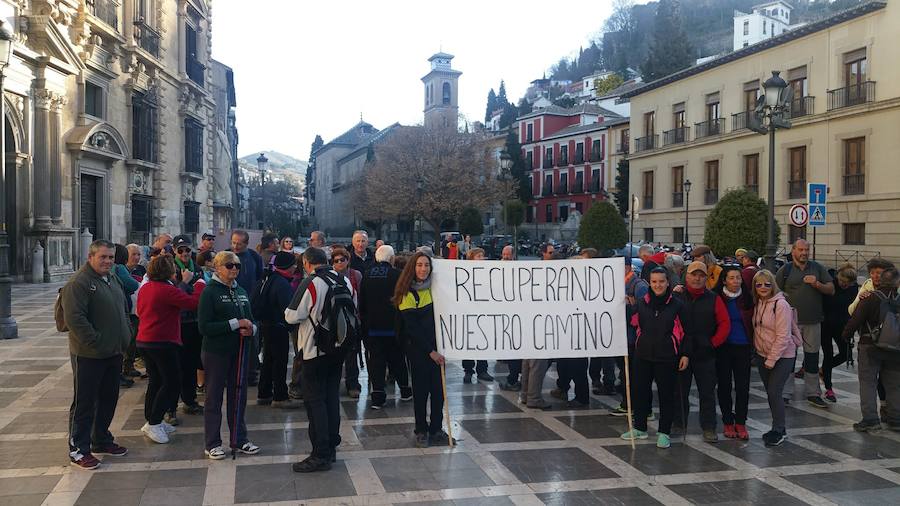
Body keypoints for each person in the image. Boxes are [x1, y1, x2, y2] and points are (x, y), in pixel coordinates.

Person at [62, 240, 132, 470]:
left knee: (108, 398)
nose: (108, 261)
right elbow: (75, 319)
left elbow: (122, 308)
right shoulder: (79, 283)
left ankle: (101, 439)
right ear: (91, 257)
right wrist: (96, 341)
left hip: (113, 351)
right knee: (85, 402)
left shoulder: (113, 278)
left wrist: (126, 335)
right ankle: (78, 449)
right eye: (103, 257)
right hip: (89, 354)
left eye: (111, 257)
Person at [285, 248, 354, 472]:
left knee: (315, 402)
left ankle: (320, 454)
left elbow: (292, 315)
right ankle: (331, 448)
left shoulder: (312, 282)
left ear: (306, 263)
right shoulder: (343, 279)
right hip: (338, 349)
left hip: (314, 350)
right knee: (331, 398)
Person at [197, 251, 261, 460]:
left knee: (239, 395)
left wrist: (252, 329)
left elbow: (250, 319)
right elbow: (204, 327)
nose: (234, 269)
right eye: (229, 265)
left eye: (237, 266)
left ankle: (239, 438)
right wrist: (235, 324)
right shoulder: (210, 292)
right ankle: (212, 443)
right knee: (214, 397)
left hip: (240, 352)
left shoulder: (241, 290)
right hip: (216, 352)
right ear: (217, 267)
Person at [136, 256, 205, 443]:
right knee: (172, 382)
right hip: (162, 342)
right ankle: (154, 422)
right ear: (168, 271)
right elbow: (193, 303)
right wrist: (199, 284)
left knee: (156, 381)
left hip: (145, 340)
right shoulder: (166, 289)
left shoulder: (147, 287)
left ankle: (151, 419)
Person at [621, 267, 691, 449]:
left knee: (666, 395)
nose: (658, 285)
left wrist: (685, 354)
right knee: (640, 393)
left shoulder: (677, 305)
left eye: (661, 281)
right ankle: (640, 427)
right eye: (654, 282)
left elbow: (687, 332)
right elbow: (631, 322)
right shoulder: (642, 303)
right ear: (650, 283)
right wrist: (625, 306)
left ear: (667, 282)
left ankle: (664, 432)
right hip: (643, 355)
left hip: (667, 357)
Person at [392, 251, 454, 448]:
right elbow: (413, 329)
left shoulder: (436, 289)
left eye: (426, 265)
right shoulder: (406, 293)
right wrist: (431, 352)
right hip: (418, 350)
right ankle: (421, 430)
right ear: (412, 267)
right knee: (421, 392)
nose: (423, 269)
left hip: (438, 348)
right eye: (419, 265)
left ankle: (436, 428)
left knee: (438, 391)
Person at [672, 261, 730, 442]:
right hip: (682, 353)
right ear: (687, 276)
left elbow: (724, 323)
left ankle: (709, 427)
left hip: (705, 353)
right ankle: (679, 423)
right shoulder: (677, 296)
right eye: (693, 274)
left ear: (706, 278)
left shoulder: (713, 298)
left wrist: (713, 343)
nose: (697, 278)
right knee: (680, 390)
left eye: (701, 275)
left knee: (707, 392)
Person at [775, 239, 834, 408]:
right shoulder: (785, 270)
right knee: (788, 358)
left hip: (813, 321)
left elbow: (831, 289)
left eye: (807, 250)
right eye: (801, 249)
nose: (804, 253)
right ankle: (785, 393)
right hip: (790, 322)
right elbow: (775, 293)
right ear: (793, 251)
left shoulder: (817, 268)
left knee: (812, 357)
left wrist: (816, 284)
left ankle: (813, 393)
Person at [841, 267, 900, 432]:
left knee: (868, 383)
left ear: (881, 280)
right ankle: (896, 419)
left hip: (870, 346)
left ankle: (870, 419)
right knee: (894, 385)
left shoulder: (870, 298)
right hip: (895, 349)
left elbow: (855, 320)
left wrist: (846, 335)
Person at [752, 269, 799, 447]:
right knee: (772, 394)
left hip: (783, 356)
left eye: (767, 284)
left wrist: (771, 359)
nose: (763, 287)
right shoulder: (759, 303)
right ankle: (777, 427)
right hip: (762, 355)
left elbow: (783, 336)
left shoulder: (780, 305)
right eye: (758, 284)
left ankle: (779, 429)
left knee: (774, 392)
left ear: (773, 284)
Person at [360, 245, 411, 408]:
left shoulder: (366, 275)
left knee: (376, 362)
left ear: (376, 258)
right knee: (397, 359)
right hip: (393, 326)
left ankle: (378, 396)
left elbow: (362, 303)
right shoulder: (397, 275)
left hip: (372, 327)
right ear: (391, 258)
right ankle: (404, 390)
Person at [256, 252, 300, 409]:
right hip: (278, 326)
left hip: (267, 325)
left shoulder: (270, 278)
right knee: (279, 362)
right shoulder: (282, 283)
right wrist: (292, 325)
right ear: (287, 267)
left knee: (268, 360)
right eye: (293, 264)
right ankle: (280, 396)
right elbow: (287, 308)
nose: (295, 267)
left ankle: (264, 393)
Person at [714, 265, 754, 440]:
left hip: (743, 347)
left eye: (738, 277)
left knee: (743, 386)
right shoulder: (717, 298)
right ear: (724, 280)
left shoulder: (747, 299)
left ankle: (741, 421)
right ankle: (728, 421)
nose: (736, 281)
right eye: (731, 278)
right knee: (724, 385)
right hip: (723, 347)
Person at [610, 259, 649, 416]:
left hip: (632, 339)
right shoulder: (619, 283)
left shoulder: (638, 286)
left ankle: (637, 407)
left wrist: (631, 306)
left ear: (626, 267)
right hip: (621, 337)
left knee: (633, 374)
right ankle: (628, 403)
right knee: (625, 372)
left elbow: (645, 312)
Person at [172, 236, 205, 418]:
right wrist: (186, 283)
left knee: (192, 363)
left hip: (195, 321)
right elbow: (175, 293)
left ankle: (190, 400)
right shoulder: (171, 268)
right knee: (177, 366)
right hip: (179, 322)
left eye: (187, 250)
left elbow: (201, 288)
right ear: (175, 251)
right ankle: (171, 408)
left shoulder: (196, 267)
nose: (185, 254)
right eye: (181, 250)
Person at [229, 230, 265, 386]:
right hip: (230, 305)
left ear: (246, 243)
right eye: (233, 242)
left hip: (250, 305)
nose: (235, 246)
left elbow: (259, 279)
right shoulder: (225, 256)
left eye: (239, 243)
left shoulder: (254, 257)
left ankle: (251, 373)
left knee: (252, 340)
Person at [329, 245, 364, 398]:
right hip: (334, 320)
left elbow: (361, 297)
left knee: (352, 354)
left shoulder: (355, 275)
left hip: (352, 320)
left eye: (342, 260)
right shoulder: (329, 276)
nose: (339, 263)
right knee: (334, 355)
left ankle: (352, 384)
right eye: (335, 261)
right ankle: (333, 384)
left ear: (348, 260)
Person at [821, 264, 857, 403]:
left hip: (842, 325)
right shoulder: (831, 285)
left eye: (847, 283)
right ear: (838, 277)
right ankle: (829, 389)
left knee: (846, 353)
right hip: (825, 324)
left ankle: (824, 370)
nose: (844, 285)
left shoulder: (853, 289)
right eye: (842, 281)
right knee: (828, 354)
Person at [113, 244, 140, 387]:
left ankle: (124, 370)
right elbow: (132, 285)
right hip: (124, 312)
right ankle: (121, 372)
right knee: (125, 342)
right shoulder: (119, 268)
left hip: (121, 310)